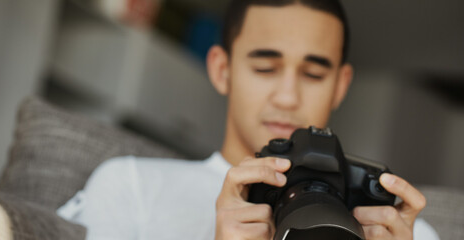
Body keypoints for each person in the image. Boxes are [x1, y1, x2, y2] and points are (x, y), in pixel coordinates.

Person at [56, 0, 438, 239]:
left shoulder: (404, 231)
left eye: (314, 75)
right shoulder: (131, 186)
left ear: (341, 86)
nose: (287, 97)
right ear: (222, 70)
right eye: (265, 67)